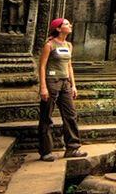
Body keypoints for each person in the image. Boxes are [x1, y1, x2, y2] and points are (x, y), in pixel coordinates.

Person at [38, 17, 87, 161]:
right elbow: (42, 66)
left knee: (70, 114)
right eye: (66, 24)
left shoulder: (69, 45)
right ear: (58, 28)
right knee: (46, 116)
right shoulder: (49, 45)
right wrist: (43, 87)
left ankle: (72, 147)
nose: (69, 25)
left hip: (65, 83)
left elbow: (69, 66)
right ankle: (45, 151)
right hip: (52, 82)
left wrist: (73, 85)